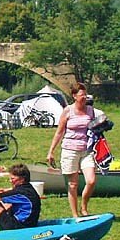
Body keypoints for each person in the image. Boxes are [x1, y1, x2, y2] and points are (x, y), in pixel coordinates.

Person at [46, 82, 99, 217]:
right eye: (82, 95)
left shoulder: (90, 110)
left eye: (85, 95)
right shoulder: (68, 111)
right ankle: (75, 215)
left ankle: (84, 207)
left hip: (87, 150)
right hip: (70, 150)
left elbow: (96, 130)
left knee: (91, 180)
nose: (84, 97)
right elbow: (59, 132)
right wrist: (51, 151)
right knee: (73, 184)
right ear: (74, 96)